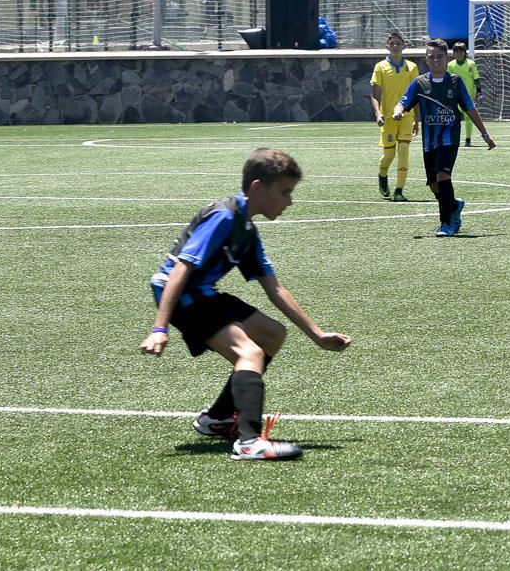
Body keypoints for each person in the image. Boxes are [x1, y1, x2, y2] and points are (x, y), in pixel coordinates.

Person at [139, 148, 352, 461]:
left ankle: (217, 419)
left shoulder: (247, 230)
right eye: (284, 192)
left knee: (271, 334)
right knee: (248, 351)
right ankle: (249, 441)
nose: (289, 201)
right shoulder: (224, 216)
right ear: (257, 187)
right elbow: (181, 268)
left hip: (202, 292)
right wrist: (160, 328)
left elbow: (275, 288)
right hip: (182, 294)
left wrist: (317, 336)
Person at [393, 38, 496, 237]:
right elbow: (403, 102)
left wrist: (485, 134)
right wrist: (398, 111)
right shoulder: (420, 83)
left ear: (445, 57)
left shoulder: (455, 82)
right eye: (431, 57)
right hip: (429, 141)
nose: (435, 60)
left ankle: (447, 223)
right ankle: (454, 205)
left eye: (439, 56)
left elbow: (470, 108)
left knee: (442, 176)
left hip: (450, 138)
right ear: (426, 59)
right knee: (433, 184)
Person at [370, 31, 420, 202]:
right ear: (387, 46)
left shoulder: (412, 68)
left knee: (404, 151)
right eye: (392, 44)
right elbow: (375, 93)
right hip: (389, 118)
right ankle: (382, 175)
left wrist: (416, 119)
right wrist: (378, 113)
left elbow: (416, 95)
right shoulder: (380, 67)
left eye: (398, 43)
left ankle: (399, 190)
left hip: (407, 116)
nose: (395, 46)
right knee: (389, 155)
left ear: (404, 46)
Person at [446, 41, 482, 147]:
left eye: (461, 51)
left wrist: (479, 92)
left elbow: (476, 78)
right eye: (456, 51)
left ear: (464, 52)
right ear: (453, 53)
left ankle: (468, 139)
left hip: (469, 95)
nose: (458, 53)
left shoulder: (471, 64)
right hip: (455, 96)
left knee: (468, 118)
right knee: (453, 118)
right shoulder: (450, 65)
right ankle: (452, 138)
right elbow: (448, 80)